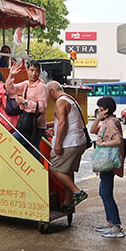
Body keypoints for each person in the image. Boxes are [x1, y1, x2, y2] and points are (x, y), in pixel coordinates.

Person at [47, 80, 89, 209]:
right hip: (78, 141)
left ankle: (77, 192)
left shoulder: (60, 102)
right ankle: (67, 200)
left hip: (69, 142)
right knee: (67, 171)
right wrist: (46, 125)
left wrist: (58, 143)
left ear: (52, 91)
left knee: (54, 169)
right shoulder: (71, 99)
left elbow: (62, 124)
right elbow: (63, 120)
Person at [90, 96, 125, 238]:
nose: (99, 110)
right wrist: (98, 118)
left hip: (108, 163)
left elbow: (118, 140)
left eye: (101, 108)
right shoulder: (107, 121)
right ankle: (110, 221)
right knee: (103, 192)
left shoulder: (111, 123)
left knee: (106, 193)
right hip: (107, 163)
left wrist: (103, 144)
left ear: (106, 109)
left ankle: (116, 225)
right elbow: (92, 130)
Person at [6, 60, 48, 154]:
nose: (34, 73)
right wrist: (11, 75)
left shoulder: (41, 87)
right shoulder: (26, 84)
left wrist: (25, 102)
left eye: (36, 71)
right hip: (26, 123)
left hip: (35, 125)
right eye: (32, 70)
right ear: (27, 71)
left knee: (33, 150)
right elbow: (11, 89)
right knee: (31, 150)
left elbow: (42, 106)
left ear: (40, 72)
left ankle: (36, 167)